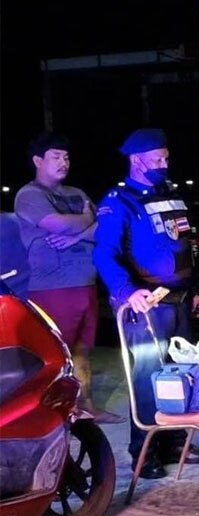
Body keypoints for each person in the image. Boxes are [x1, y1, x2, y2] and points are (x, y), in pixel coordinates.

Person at [93, 128, 199, 479]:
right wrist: (127, 292)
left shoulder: (171, 195)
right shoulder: (119, 201)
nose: (164, 163)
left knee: (182, 375)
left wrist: (197, 289)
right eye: (157, 159)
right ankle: (144, 451)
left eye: (166, 157)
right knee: (147, 380)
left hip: (180, 302)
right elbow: (104, 254)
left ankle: (176, 441)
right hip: (146, 305)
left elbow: (185, 247)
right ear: (136, 160)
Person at [14, 132, 124, 424]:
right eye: (56, 156)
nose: (64, 162)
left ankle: (85, 406)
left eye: (66, 156)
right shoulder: (30, 195)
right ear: (38, 161)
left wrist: (83, 230)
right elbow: (57, 224)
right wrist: (87, 222)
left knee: (82, 350)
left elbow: (106, 228)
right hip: (53, 286)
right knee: (54, 354)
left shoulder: (77, 193)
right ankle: (54, 414)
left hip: (86, 283)